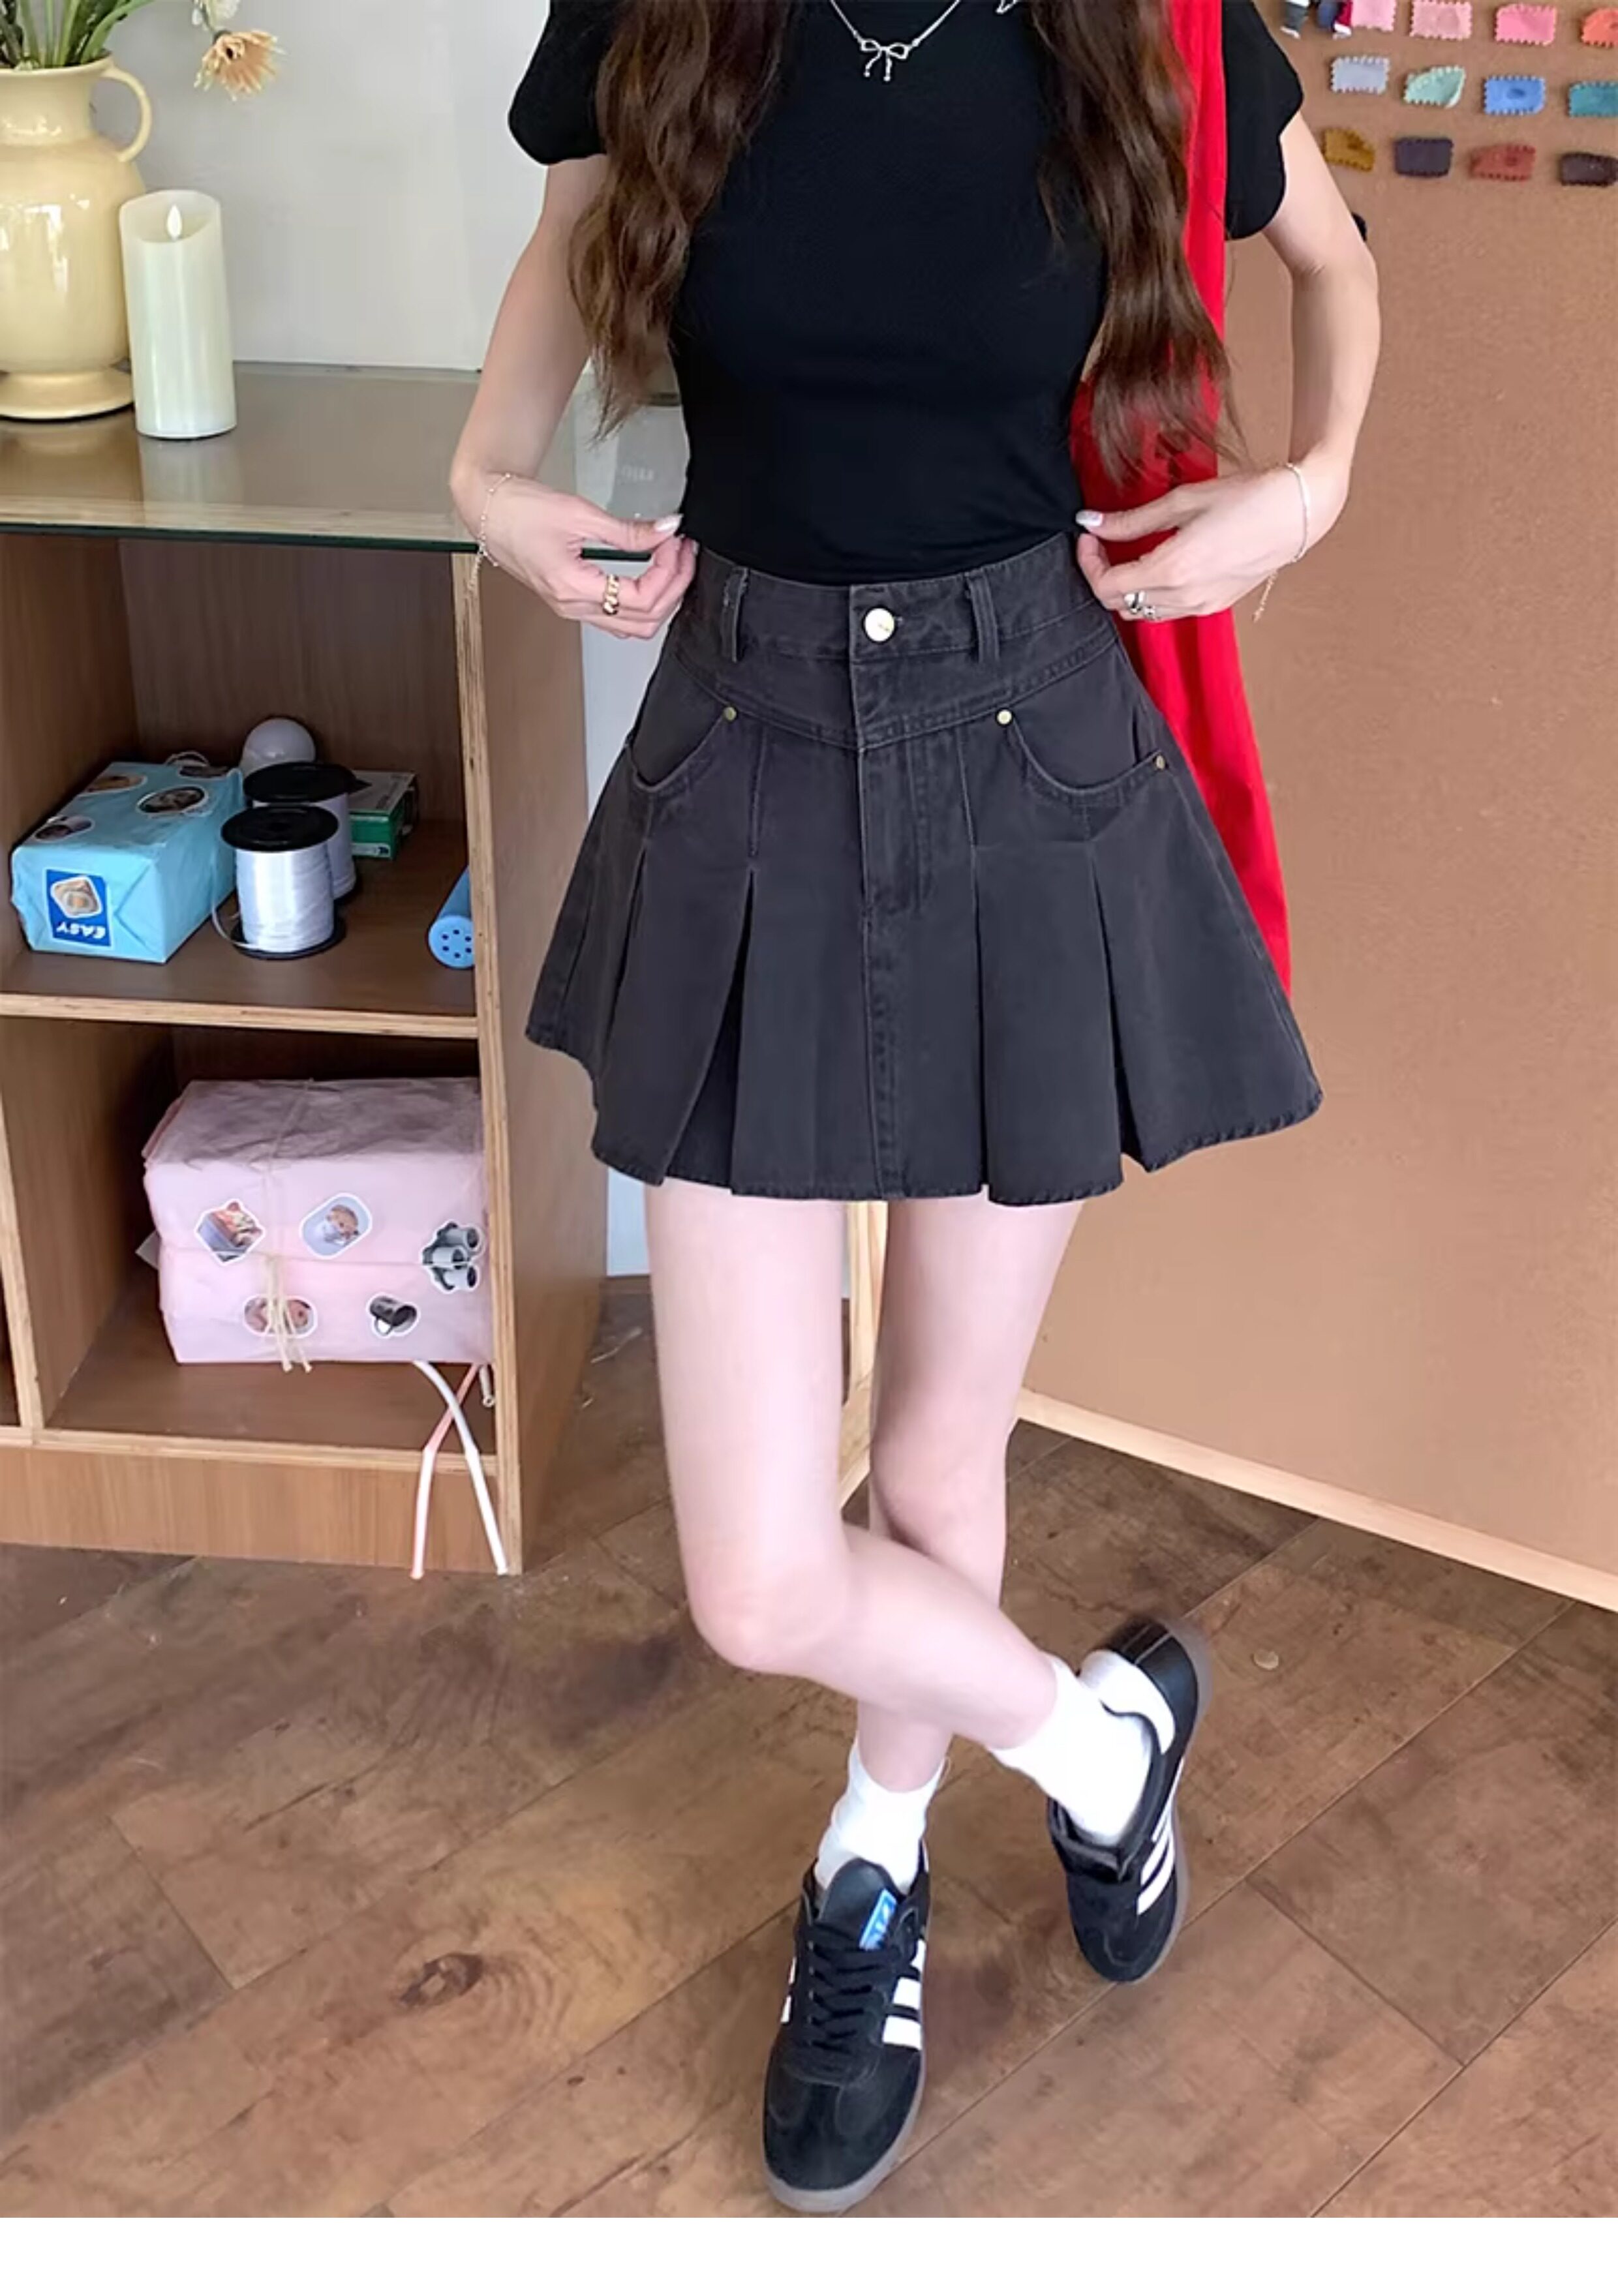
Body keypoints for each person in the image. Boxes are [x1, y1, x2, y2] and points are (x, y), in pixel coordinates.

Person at [453, 0, 1379, 2214]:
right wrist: (488, 480)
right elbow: (568, 246)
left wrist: (1311, 486)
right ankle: (1099, 1740)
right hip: (742, 753)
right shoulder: (661, 11)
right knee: (762, 1577)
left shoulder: (1146, 22)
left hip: (1026, 755)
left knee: (945, 1453)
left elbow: (1333, 262)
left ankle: (874, 1854)